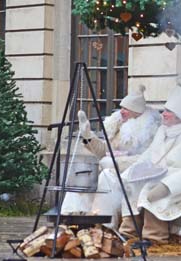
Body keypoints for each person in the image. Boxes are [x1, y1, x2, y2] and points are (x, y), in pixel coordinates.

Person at [118, 78, 181, 244]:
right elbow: (148, 156)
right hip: (160, 176)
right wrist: (130, 174)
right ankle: (129, 232)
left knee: (152, 188)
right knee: (133, 185)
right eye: (164, 110)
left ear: (180, 115)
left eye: (168, 111)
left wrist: (167, 186)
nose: (163, 114)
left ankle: (154, 236)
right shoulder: (163, 131)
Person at [60, 85, 161, 227]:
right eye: (122, 108)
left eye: (126, 109)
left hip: (132, 176)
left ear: (136, 111)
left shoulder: (150, 130)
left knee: (105, 177)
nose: (122, 111)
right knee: (80, 183)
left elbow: (146, 159)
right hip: (108, 169)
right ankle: (70, 221)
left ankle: (103, 226)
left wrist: (114, 163)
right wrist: (88, 135)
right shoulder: (117, 126)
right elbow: (103, 151)